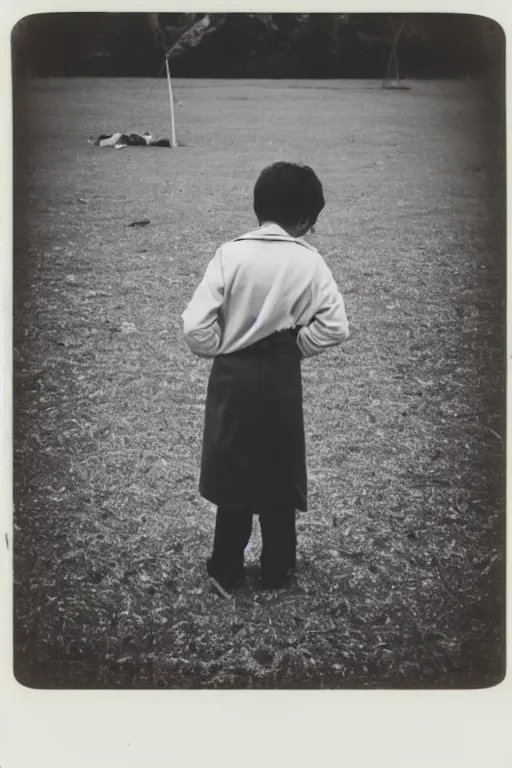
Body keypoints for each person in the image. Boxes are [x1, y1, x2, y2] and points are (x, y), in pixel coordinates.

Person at [181, 161, 350, 598]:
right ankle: (278, 567)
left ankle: (225, 568)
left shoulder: (230, 253)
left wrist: (223, 344)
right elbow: (335, 327)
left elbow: (195, 328)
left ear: (258, 208)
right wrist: (295, 346)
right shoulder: (310, 262)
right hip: (281, 372)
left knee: (232, 463)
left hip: (232, 374)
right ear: (304, 221)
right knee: (279, 463)